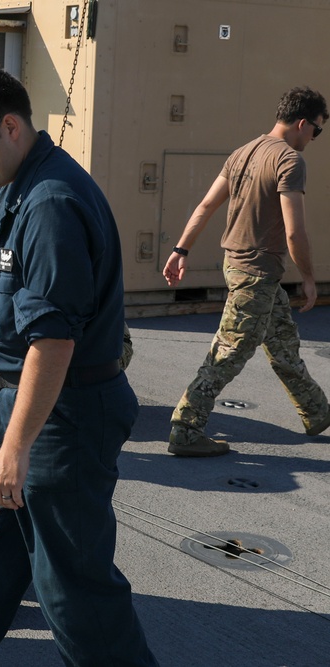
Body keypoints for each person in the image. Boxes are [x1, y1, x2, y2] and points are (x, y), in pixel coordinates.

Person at [0, 64, 157, 666]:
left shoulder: (50, 202)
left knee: (71, 590)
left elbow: (52, 343)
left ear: (10, 127)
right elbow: (7, 307)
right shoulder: (10, 189)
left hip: (59, 421)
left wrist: (15, 450)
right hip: (11, 404)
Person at [164, 86, 330, 457]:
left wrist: (180, 249)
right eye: (316, 130)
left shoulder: (243, 152)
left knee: (283, 344)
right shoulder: (289, 161)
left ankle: (317, 412)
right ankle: (186, 428)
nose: (314, 138)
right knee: (228, 353)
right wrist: (307, 277)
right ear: (302, 123)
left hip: (242, 268)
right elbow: (294, 231)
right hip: (255, 273)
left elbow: (207, 205)